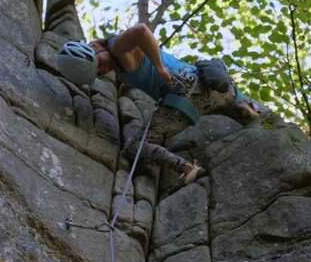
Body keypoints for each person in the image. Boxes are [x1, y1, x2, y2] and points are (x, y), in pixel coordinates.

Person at [89, 23, 262, 184]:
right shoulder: (121, 62)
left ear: (96, 46)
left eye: (101, 63)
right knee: (255, 119)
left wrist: (159, 68)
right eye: (99, 72)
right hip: (218, 89)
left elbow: (141, 30)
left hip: (185, 95)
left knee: (135, 148)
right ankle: (244, 108)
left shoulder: (117, 48)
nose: (104, 69)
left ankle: (187, 169)